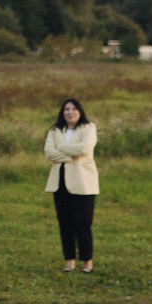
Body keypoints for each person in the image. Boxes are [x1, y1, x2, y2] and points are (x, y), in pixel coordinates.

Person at [44, 97, 99, 273]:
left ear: (80, 111)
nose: (70, 112)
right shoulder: (55, 130)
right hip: (60, 183)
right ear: (62, 112)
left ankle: (87, 262)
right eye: (67, 109)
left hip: (83, 183)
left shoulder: (88, 128)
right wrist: (71, 156)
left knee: (82, 224)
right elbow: (48, 152)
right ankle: (69, 261)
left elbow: (84, 148)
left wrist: (60, 148)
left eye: (74, 109)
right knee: (65, 224)